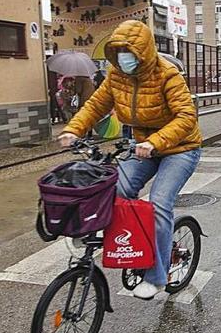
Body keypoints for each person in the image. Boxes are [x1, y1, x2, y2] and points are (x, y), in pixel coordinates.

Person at [58, 20, 201, 301]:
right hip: (143, 147)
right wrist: (73, 130)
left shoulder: (167, 75)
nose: (125, 58)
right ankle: (111, 236)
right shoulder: (116, 75)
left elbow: (187, 117)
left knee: (159, 204)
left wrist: (155, 142)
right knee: (114, 189)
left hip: (181, 149)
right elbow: (96, 105)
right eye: (119, 51)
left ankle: (157, 277)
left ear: (144, 52)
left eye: (130, 52)